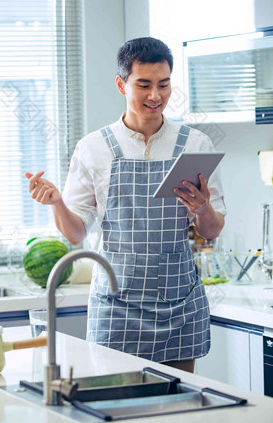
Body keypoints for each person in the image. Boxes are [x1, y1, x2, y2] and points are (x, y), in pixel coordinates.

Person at [25, 37, 226, 373]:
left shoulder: (195, 144)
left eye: (164, 85)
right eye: (143, 85)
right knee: (117, 411)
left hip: (177, 302)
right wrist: (58, 203)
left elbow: (212, 230)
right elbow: (76, 235)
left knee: (177, 407)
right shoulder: (93, 148)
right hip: (116, 304)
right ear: (122, 83)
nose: (155, 96)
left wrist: (203, 208)